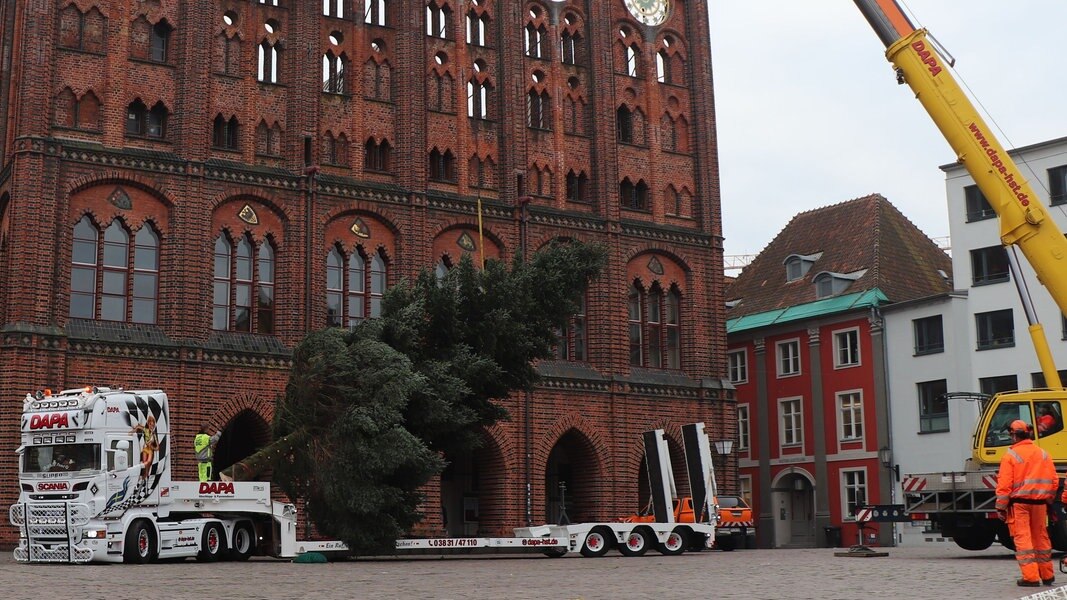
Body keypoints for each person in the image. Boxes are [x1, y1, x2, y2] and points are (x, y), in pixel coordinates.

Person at [996, 420, 1057, 587]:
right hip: (1040, 504)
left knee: (1023, 539)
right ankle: (1047, 575)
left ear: (1014, 435)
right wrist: (1049, 499)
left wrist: (1000, 507)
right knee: (1041, 538)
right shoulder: (1043, 453)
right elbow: (1054, 480)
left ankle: (1031, 577)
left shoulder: (1010, 456)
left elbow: (1004, 485)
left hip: (1019, 505)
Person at [130, 415, 159, 481]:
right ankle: (142, 478)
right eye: (151, 425)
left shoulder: (154, 435)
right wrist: (132, 431)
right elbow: (139, 427)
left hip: (151, 450)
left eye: (153, 425)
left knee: (148, 463)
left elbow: (157, 447)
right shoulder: (146, 430)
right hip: (145, 449)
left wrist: (152, 446)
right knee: (145, 465)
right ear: (148, 424)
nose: (152, 426)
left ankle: (143, 476)